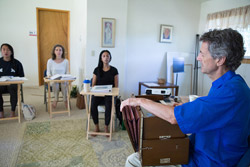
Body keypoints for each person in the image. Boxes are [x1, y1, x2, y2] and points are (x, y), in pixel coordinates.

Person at [121, 29, 250, 167]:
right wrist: (187, 109)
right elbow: (211, 110)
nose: (198, 58)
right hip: (201, 150)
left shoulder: (231, 92)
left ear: (220, 59)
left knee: (134, 160)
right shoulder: (233, 84)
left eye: (202, 53)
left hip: (205, 162)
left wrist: (139, 100)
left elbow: (173, 117)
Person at [91, 50, 119, 135]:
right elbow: (93, 85)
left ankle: (106, 126)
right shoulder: (97, 70)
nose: (106, 58)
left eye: (107, 56)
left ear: (110, 58)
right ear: (101, 58)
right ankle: (96, 126)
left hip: (109, 95)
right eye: (104, 56)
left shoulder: (114, 70)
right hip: (98, 94)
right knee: (92, 104)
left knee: (109, 105)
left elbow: (116, 87)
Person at [0, 43, 24, 118]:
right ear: (1, 51)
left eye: (8, 50)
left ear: (11, 52)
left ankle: (13, 110)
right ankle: (1, 111)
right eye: (4, 49)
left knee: (13, 88)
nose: (6, 51)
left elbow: (21, 76)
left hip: (12, 85)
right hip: (1, 85)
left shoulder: (17, 63)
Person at [46, 44, 69, 108]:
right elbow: (48, 72)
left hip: (63, 80)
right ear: (54, 51)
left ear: (62, 52)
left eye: (60, 50)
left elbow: (67, 72)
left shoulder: (66, 61)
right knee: (55, 84)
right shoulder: (50, 61)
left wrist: (66, 78)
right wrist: (49, 76)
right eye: (56, 50)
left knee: (64, 83)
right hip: (54, 80)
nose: (58, 52)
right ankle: (55, 99)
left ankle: (65, 100)